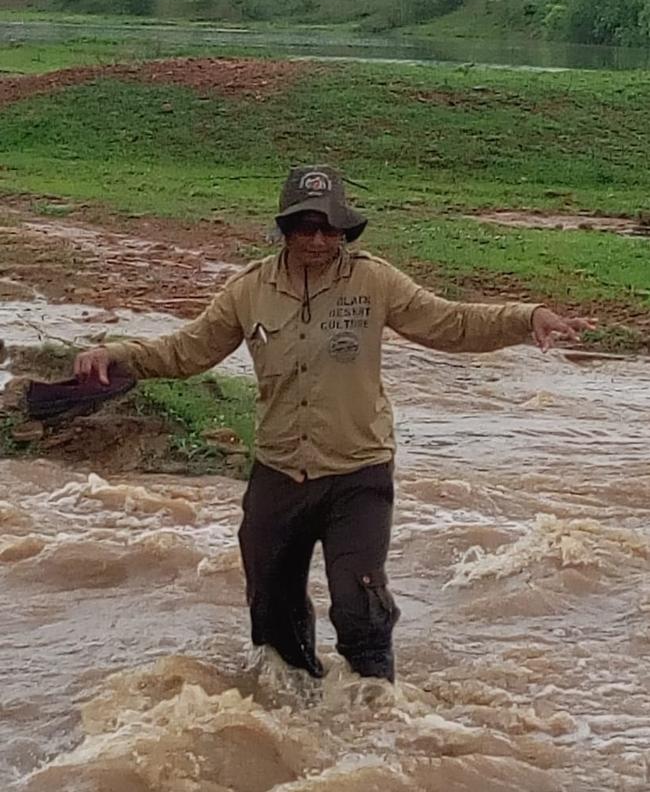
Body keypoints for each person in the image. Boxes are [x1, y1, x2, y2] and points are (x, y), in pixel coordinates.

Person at [74, 165, 595, 682]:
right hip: (279, 473)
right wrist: (117, 354)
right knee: (273, 618)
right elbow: (187, 350)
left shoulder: (374, 280)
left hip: (357, 473)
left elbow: (450, 324)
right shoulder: (248, 289)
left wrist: (526, 317)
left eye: (330, 228)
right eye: (306, 227)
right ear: (286, 229)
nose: (319, 240)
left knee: (359, 606)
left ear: (345, 230)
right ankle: (298, 719)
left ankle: (376, 716)